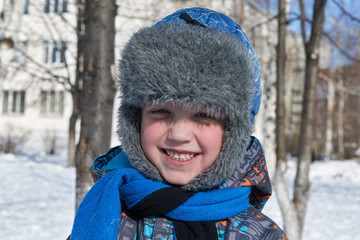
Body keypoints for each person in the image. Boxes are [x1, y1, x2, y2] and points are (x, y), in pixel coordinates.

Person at [69, 7, 288, 240]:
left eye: (204, 115)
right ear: (136, 118)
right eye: (161, 110)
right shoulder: (105, 216)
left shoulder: (262, 235)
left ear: (235, 131)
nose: (180, 134)